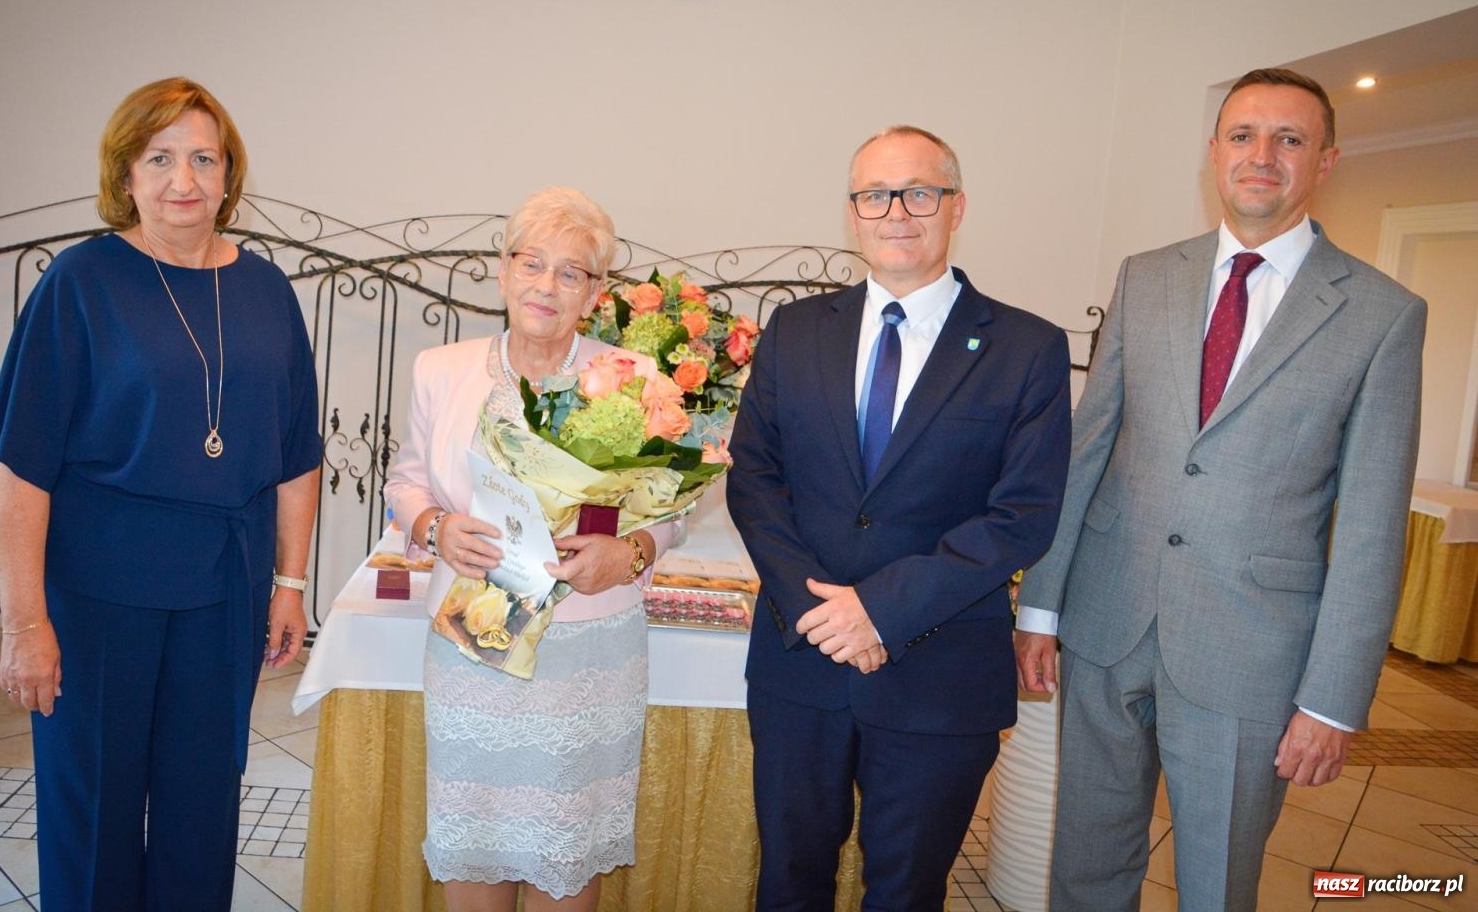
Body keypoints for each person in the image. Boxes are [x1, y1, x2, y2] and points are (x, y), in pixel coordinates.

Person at [1015, 68, 1426, 911]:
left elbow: (1374, 527)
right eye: (1242, 136)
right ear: (1213, 154)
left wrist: (1334, 700)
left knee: (1216, 885)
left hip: (1253, 654)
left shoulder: (1383, 314)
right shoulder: (1147, 276)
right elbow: (1087, 450)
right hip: (1106, 624)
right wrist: (1039, 607)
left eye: (1290, 139)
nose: (1261, 156)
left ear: (1326, 160)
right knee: (1085, 868)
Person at [0, 77, 323, 911]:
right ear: (125, 174)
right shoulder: (81, 282)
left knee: (203, 804)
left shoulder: (268, 290)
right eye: (160, 158)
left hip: (224, 588)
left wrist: (291, 583)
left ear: (230, 175)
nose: (184, 181)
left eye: (204, 158)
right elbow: (20, 469)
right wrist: (26, 625)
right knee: (92, 804)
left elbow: (296, 453)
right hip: (97, 592)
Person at [726, 126, 1073, 911]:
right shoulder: (797, 330)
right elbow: (755, 477)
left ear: (957, 207)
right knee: (788, 882)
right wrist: (824, 612)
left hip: (939, 674)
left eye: (920, 192)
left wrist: (879, 611)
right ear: (853, 214)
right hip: (799, 662)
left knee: (908, 892)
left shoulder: (1026, 347)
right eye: (875, 195)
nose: (897, 212)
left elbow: (1022, 514)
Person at [384, 187, 676, 911]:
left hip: (587, 650)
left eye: (571, 272)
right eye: (532, 263)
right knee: (473, 845)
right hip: (472, 646)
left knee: (564, 855)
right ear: (504, 268)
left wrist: (630, 554)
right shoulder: (440, 369)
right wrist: (435, 529)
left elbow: (673, 510)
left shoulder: (635, 381)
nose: (546, 286)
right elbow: (406, 479)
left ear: (594, 292)